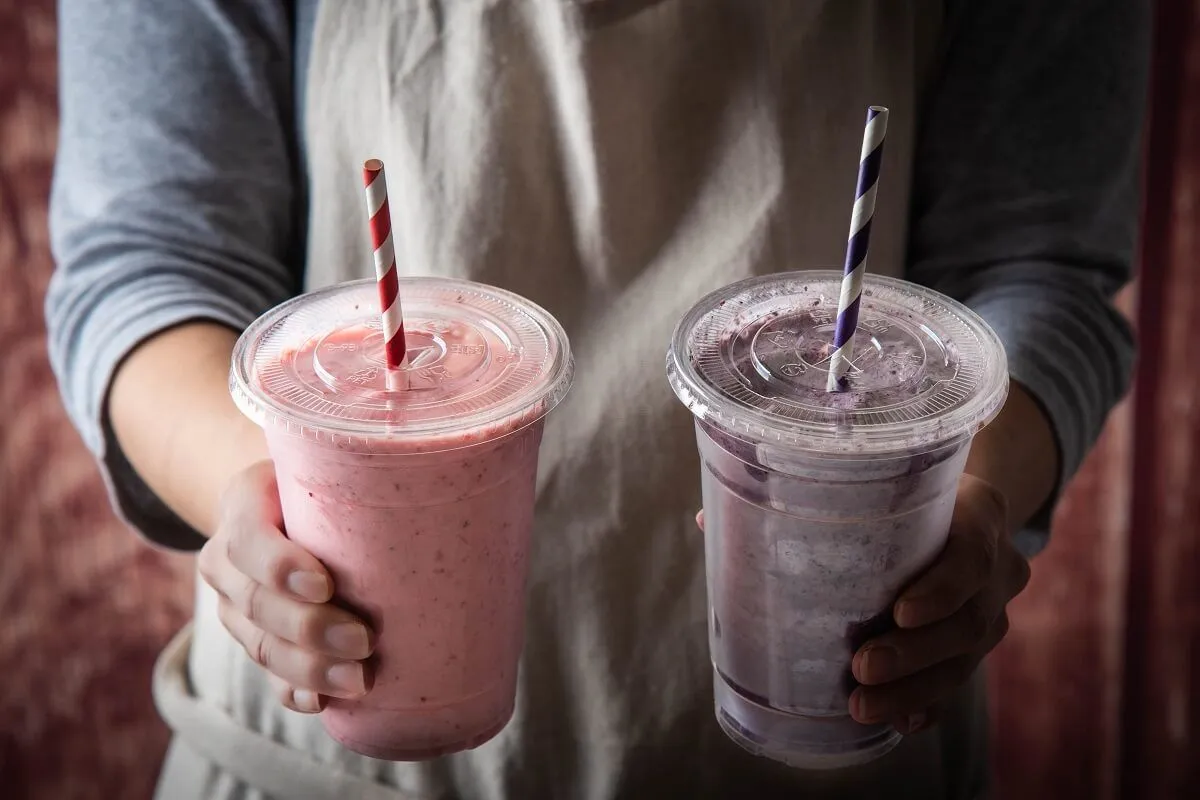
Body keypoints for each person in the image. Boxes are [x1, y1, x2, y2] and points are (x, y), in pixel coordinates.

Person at [47, 1, 1147, 798]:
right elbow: (148, 263)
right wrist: (259, 497)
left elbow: (1037, 264)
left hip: (841, 749)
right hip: (321, 765)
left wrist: (972, 493)